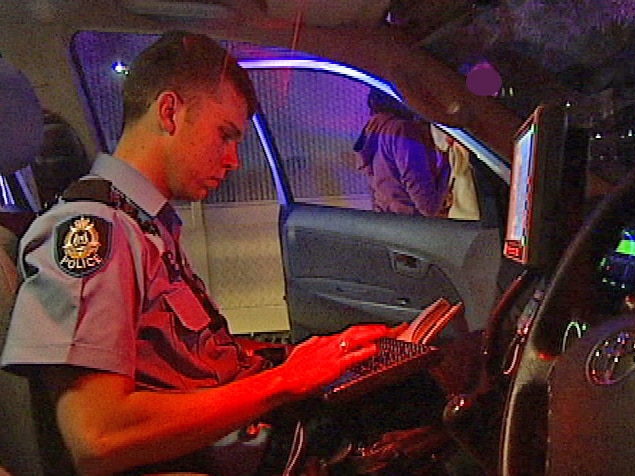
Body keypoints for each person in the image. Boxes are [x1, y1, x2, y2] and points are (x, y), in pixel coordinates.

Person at [0, 31, 395, 476]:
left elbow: (192, 361)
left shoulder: (144, 224)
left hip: (253, 436)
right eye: (225, 135)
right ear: (170, 112)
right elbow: (99, 437)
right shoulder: (96, 232)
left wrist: (312, 357)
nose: (234, 161)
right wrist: (287, 380)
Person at [354, 89, 451, 217]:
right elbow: (428, 207)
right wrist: (448, 164)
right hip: (415, 227)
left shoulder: (374, 128)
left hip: (390, 223)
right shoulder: (402, 130)